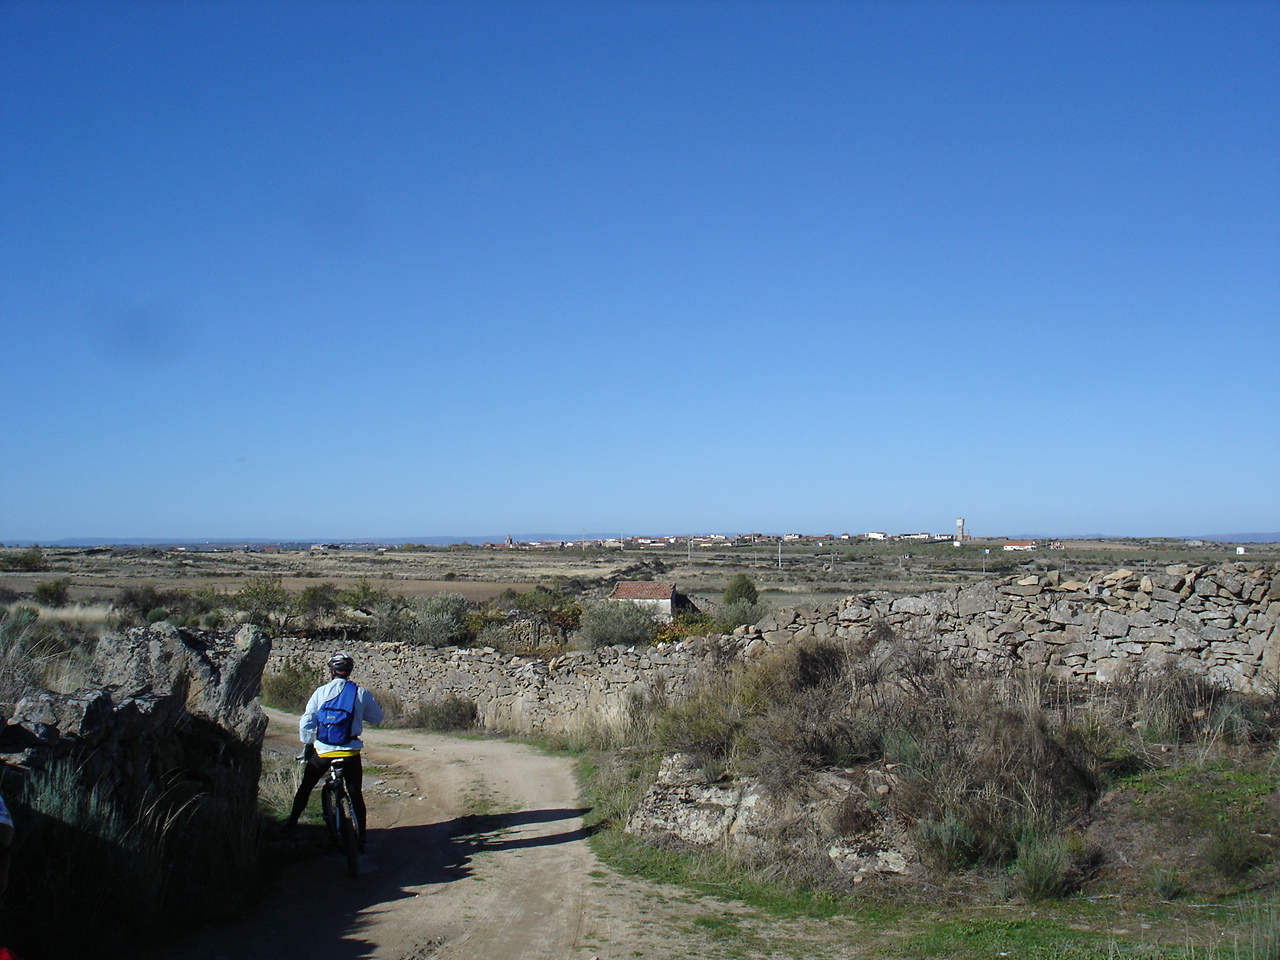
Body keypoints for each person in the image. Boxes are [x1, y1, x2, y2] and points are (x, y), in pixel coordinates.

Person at [285, 652, 383, 847]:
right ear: (350, 671)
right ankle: (362, 838)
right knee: (355, 794)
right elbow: (377, 718)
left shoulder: (321, 692)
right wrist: (358, 715)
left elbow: (307, 721)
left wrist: (307, 744)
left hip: (324, 751)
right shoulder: (361, 693)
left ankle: (290, 826)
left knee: (306, 787)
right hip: (350, 752)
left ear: (332, 671)